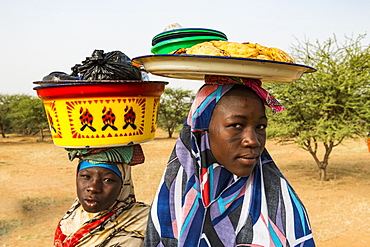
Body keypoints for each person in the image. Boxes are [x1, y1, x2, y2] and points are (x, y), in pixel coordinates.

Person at [144, 76, 315, 247]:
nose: (253, 141)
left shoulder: (283, 208)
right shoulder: (171, 205)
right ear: (202, 130)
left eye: (260, 127)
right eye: (236, 125)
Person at [54, 145, 150, 247]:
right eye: (86, 176)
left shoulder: (147, 223)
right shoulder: (70, 220)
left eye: (107, 180)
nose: (93, 188)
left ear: (124, 185)